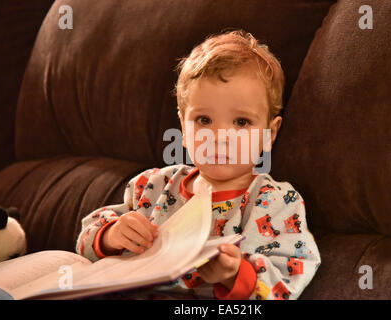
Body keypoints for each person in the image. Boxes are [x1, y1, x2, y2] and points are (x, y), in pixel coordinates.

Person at [76, 30, 321, 300]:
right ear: (183, 124)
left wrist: (234, 274)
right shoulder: (152, 186)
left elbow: (291, 273)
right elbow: (87, 237)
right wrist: (111, 235)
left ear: (269, 134)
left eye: (241, 122)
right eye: (204, 120)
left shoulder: (277, 203)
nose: (219, 138)